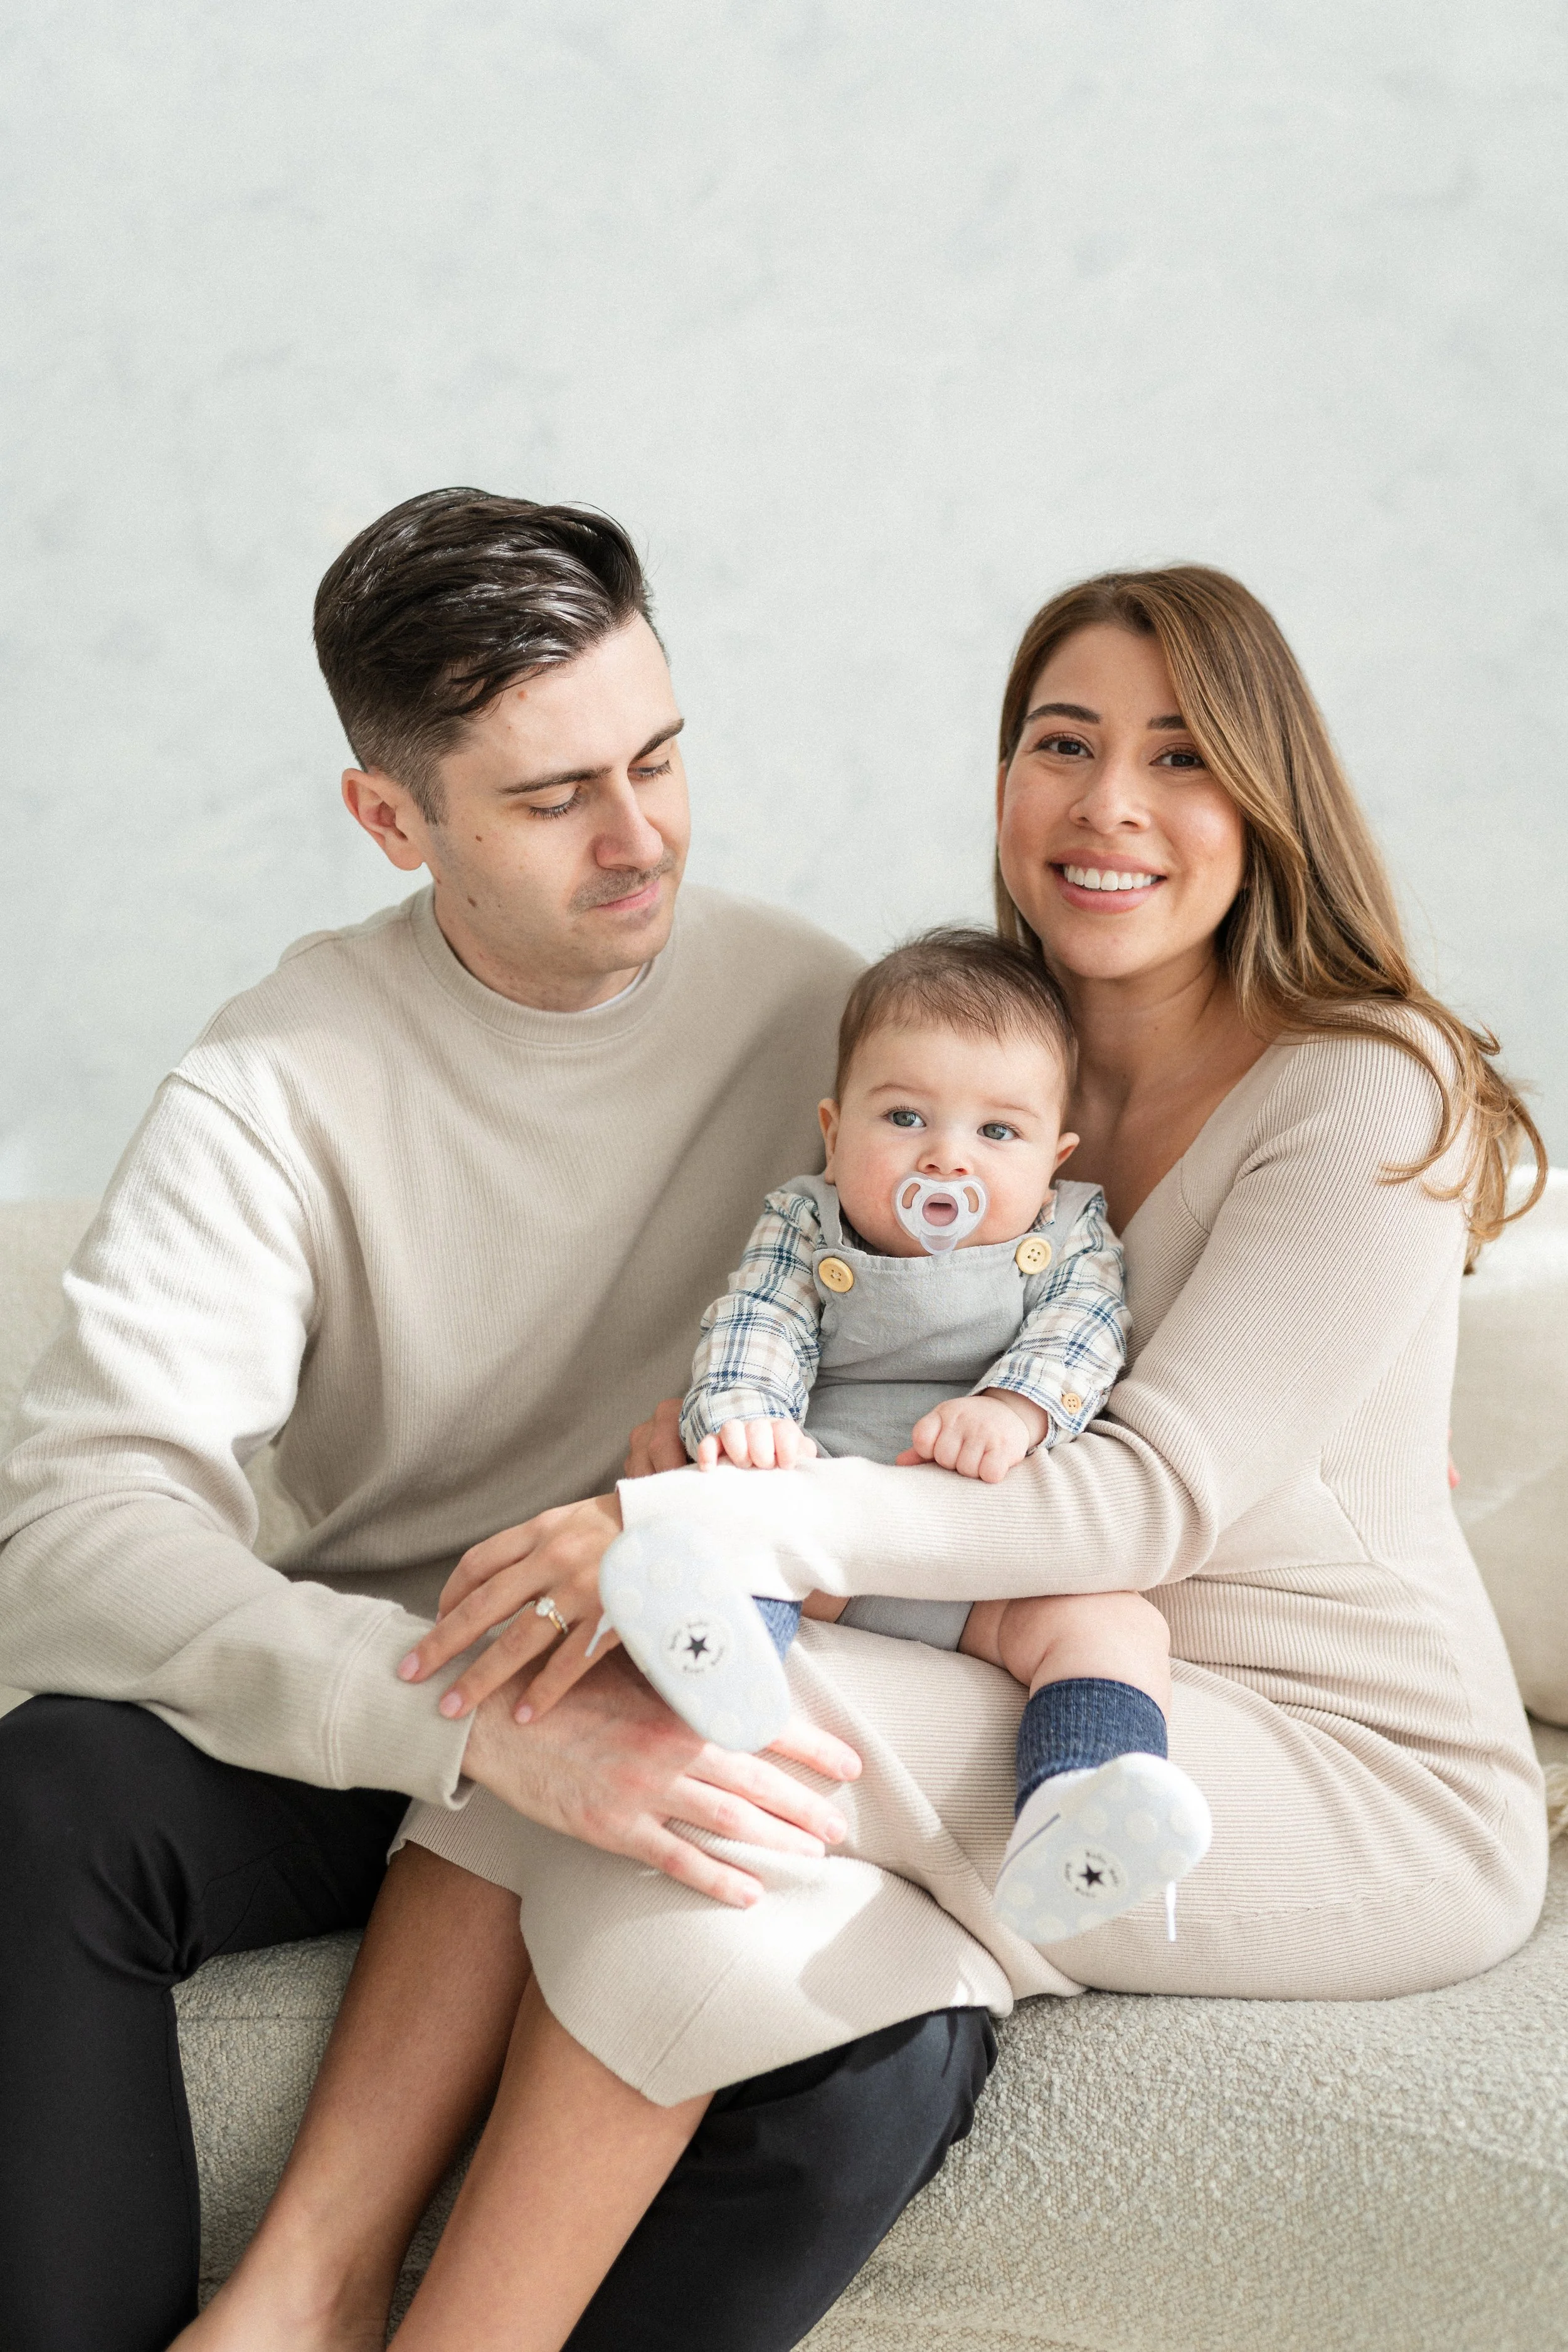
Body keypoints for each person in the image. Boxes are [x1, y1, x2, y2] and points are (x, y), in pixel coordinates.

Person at [288, 558, 1542, 2346]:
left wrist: (702, 1515)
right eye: (1061, 740)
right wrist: (710, 1443)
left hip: (1332, 1755)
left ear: (1267, 803)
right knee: (697, 1889)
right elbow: (806, 1340)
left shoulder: (1364, 1082)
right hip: (991, 1679)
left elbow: (1142, 1493)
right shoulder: (965, 1072)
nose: (1108, 804)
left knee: (647, 1673)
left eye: (1182, 757)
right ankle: (301, 2297)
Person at [0, 489, 1000, 2352]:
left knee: (889, 2038)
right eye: (554, 799)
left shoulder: (828, 1022)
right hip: (388, 1688)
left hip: (706, 1663)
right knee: (49, 1792)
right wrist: (471, 1728)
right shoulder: (274, 1080)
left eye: (661, 756)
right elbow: (68, 1529)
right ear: (395, 817)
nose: (641, 840)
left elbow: (1044, 1279)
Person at [592, 926, 1214, 1942]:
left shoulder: (1068, 1237)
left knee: (1118, 1625)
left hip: (988, 1571)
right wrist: (749, 1420)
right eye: (907, 1115)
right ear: (836, 1134)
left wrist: (1013, 1407)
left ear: (1056, 1157)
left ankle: (1076, 1804)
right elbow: (758, 1322)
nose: (946, 1157)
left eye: (997, 1134)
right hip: (823, 1525)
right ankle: (717, 1678)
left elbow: (1088, 1331)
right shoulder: (807, 1221)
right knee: (733, 1528)